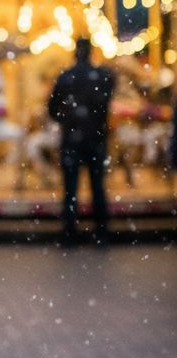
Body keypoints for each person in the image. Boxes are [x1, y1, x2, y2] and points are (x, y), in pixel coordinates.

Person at [48, 37, 115, 245]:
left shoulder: (65, 77)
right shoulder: (102, 76)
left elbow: (52, 108)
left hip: (72, 139)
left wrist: (67, 120)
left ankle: (69, 232)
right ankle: (101, 232)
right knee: (97, 187)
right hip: (95, 138)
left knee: (70, 188)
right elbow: (105, 104)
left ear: (75, 52)